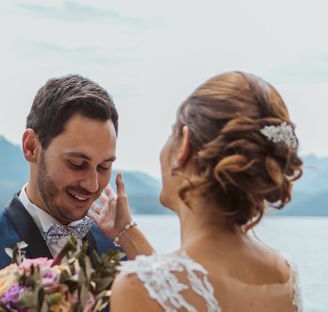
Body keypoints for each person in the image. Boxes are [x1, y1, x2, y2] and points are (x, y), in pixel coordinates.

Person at [90, 71, 304, 312]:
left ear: (184, 145)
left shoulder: (137, 286)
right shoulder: (285, 275)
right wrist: (126, 232)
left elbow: (167, 289)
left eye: (171, 134)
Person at [0, 74, 125, 312]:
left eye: (103, 167)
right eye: (77, 164)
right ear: (31, 147)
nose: (92, 185)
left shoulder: (117, 248)